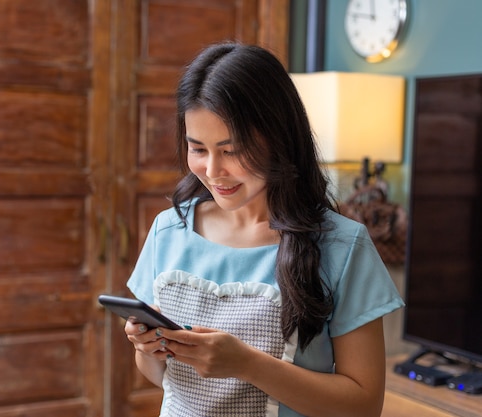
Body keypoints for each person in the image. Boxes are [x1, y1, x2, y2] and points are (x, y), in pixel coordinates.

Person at [124, 42, 404, 417]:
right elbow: (163, 378)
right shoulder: (169, 230)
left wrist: (247, 364)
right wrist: (149, 349)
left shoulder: (341, 246)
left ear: (278, 138)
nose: (212, 170)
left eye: (232, 150)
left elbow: (364, 405)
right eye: (198, 149)